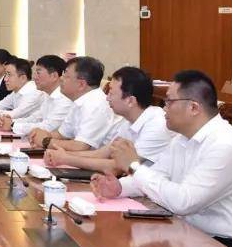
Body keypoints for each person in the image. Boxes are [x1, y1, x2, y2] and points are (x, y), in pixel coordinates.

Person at [93, 70, 232, 247]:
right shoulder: (182, 139)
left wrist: (134, 166)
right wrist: (119, 187)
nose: (164, 109)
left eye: (169, 102)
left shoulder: (225, 145)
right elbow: (158, 174)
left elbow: (183, 203)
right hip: (196, 235)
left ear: (193, 107)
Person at [45, 66, 174, 173]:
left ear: (130, 101)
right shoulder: (128, 121)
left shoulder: (156, 124)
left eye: (111, 93)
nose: (107, 98)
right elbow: (102, 153)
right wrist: (61, 154)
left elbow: (117, 167)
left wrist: (67, 159)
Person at [29, 56, 117, 152]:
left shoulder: (95, 104)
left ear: (81, 84)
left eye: (66, 76)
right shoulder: (79, 101)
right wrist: (40, 134)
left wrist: (45, 141)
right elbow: (61, 134)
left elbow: (80, 147)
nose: (61, 78)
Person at [3, 54, 72, 136]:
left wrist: (13, 125)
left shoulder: (64, 99)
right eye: (35, 72)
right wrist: (12, 122)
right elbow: (36, 118)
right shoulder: (47, 95)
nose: (34, 77)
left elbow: (48, 127)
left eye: (38, 73)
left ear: (54, 76)